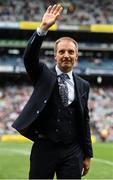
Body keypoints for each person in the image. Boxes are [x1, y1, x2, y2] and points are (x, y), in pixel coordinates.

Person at [12, 4, 93, 179]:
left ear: (76, 56)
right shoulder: (43, 74)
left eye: (71, 52)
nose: (66, 55)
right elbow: (29, 57)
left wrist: (87, 154)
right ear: (55, 56)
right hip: (44, 147)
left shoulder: (83, 85)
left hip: (73, 149)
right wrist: (43, 28)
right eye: (62, 51)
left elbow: (84, 119)